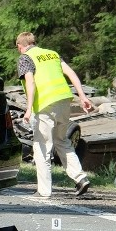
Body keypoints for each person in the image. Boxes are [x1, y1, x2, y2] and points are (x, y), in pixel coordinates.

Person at [16, 31, 93, 197]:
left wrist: (28, 108)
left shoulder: (25, 58)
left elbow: (30, 81)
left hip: (45, 105)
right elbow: (71, 73)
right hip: (64, 101)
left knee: (42, 147)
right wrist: (82, 96)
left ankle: (44, 191)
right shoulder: (52, 54)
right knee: (62, 140)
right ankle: (80, 178)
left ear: (20, 47)